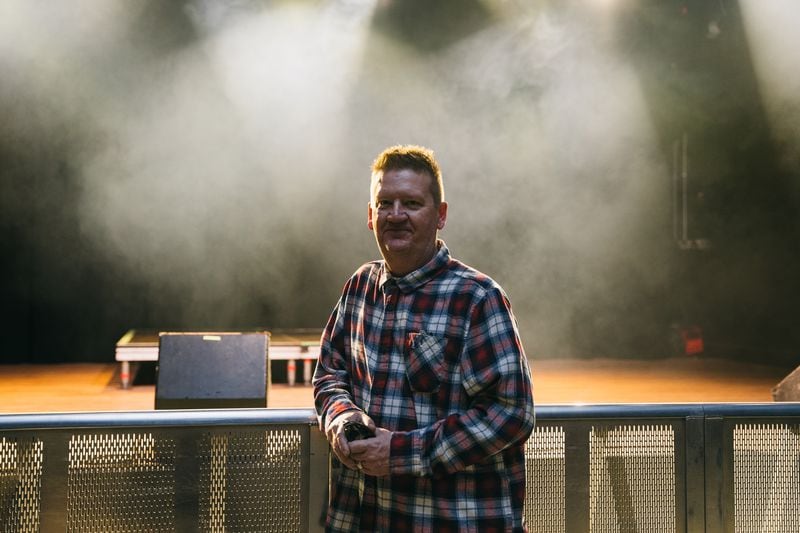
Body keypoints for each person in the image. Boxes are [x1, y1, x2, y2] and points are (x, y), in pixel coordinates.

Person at [313, 144, 535, 532]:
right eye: (385, 203)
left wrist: (399, 453)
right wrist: (342, 418)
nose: (396, 215)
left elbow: (511, 413)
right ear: (370, 215)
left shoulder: (476, 298)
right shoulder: (359, 289)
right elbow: (329, 375)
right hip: (366, 518)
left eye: (412, 203)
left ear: (441, 215)